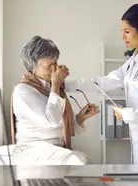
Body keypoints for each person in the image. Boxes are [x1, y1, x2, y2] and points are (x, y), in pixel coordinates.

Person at [65, 3, 138, 173]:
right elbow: (104, 82)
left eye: (127, 32)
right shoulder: (134, 61)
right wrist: (66, 85)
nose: (123, 37)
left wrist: (127, 114)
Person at [10, 36, 99, 165]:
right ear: (33, 66)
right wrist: (56, 84)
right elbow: (51, 121)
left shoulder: (52, 89)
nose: (54, 69)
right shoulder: (23, 90)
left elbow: (65, 129)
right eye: (49, 66)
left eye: (55, 63)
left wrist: (81, 117)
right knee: (82, 161)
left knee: (83, 162)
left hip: (53, 149)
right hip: (31, 149)